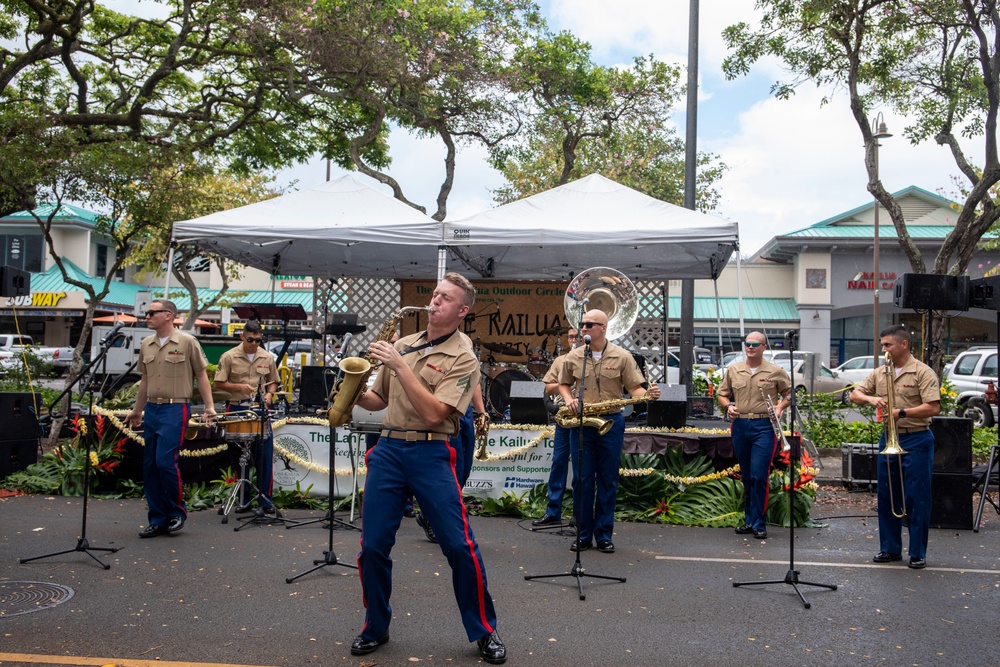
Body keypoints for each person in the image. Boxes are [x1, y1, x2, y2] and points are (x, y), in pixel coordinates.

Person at [352, 273, 505, 664]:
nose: (435, 301)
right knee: (372, 546)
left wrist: (399, 365)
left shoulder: (464, 359)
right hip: (389, 448)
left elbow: (436, 414)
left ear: (462, 311)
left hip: (431, 451)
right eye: (435, 294)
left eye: (445, 298)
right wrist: (351, 389)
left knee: (459, 545)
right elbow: (378, 400)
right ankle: (375, 626)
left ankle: (484, 630)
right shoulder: (403, 344)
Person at [557, 311, 658, 553]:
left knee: (607, 479)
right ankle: (583, 534)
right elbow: (563, 383)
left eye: (589, 325)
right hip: (582, 422)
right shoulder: (574, 355)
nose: (583, 328)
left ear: (603, 327)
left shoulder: (622, 356)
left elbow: (634, 388)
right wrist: (569, 399)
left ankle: (603, 535)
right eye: (582, 324)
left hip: (610, 421)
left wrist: (647, 394)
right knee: (581, 480)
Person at [850, 325, 940, 569]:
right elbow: (855, 395)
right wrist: (870, 399)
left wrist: (901, 412)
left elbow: (933, 407)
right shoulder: (880, 372)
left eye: (888, 345)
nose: (884, 350)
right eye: (882, 345)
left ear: (904, 344)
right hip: (889, 437)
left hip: (916, 437)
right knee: (887, 495)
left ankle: (917, 552)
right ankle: (890, 548)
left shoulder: (922, 372)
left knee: (917, 497)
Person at [125, 300, 216, 538]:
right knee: (150, 466)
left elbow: (201, 375)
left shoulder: (187, 341)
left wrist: (209, 407)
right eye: (147, 313)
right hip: (152, 409)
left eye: (151, 312)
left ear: (168, 315)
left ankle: (177, 513)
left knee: (165, 461)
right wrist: (137, 409)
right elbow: (145, 380)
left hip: (176, 408)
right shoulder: (147, 343)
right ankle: (157, 519)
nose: (147, 316)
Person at [716, 332, 791, 540]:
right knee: (747, 475)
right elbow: (722, 394)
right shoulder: (734, 369)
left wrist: (780, 407)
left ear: (764, 347)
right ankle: (749, 520)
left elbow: (790, 394)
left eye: (755, 344)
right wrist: (728, 406)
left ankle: (759, 522)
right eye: (748, 344)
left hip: (764, 425)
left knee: (759, 474)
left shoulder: (775, 371)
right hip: (740, 424)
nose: (750, 347)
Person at [212, 320, 280, 513]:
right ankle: (244, 499)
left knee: (264, 456)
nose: (254, 344)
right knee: (239, 457)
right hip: (237, 408)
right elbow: (218, 383)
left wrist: (269, 394)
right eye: (250, 339)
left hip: (259, 409)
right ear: (242, 336)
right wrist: (238, 387)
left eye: (258, 340)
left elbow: (273, 381)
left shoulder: (267, 357)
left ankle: (265, 501)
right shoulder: (229, 356)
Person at [532, 327, 578, 526]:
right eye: (571, 337)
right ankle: (553, 512)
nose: (574, 340)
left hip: (584, 419)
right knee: (558, 462)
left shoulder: (592, 362)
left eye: (577, 336)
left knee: (581, 466)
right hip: (564, 418)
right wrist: (564, 383)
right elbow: (547, 388)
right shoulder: (560, 361)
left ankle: (579, 514)